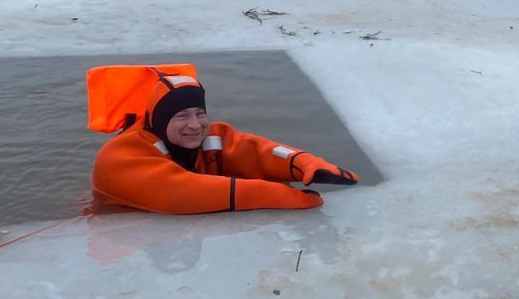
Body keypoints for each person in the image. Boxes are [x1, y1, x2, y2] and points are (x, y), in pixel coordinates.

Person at [92, 69, 359, 214]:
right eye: (182, 116)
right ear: (160, 121)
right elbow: (178, 193)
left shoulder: (211, 137)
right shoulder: (118, 158)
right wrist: (276, 194)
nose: (195, 125)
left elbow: (253, 150)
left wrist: (302, 162)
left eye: (200, 113)